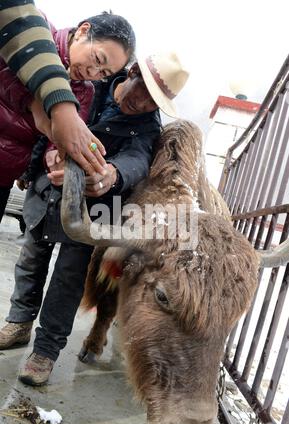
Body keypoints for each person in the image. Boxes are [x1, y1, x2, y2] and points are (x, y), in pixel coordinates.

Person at [0, 52, 189, 386]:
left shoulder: (147, 127)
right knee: (29, 262)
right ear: (130, 73)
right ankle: (18, 323)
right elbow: (49, 124)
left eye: (152, 102)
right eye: (142, 91)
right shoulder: (88, 87)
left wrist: (113, 175)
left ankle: (45, 351)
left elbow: (138, 160)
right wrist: (32, 168)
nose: (143, 104)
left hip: (92, 210)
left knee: (68, 280)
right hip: (47, 192)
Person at [0, 5, 136, 222]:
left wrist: (56, 156)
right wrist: (37, 103)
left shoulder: (84, 92)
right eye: (98, 59)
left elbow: (63, 139)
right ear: (83, 31)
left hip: (4, 174)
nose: (93, 72)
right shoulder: (33, 27)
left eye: (104, 73)